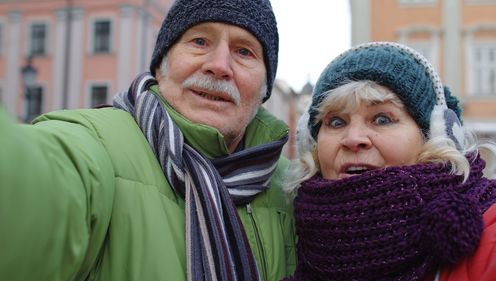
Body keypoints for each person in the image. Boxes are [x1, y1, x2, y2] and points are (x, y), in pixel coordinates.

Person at [0, 0, 297, 280]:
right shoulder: (96, 144)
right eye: (199, 42)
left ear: (264, 89)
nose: (219, 65)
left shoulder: (293, 185)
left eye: (244, 51)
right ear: (161, 65)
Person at [283, 42, 496, 281]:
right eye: (336, 122)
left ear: (434, 135)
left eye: (382, 119)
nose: (354, 138)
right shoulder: (291, 237)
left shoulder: (491, 235)